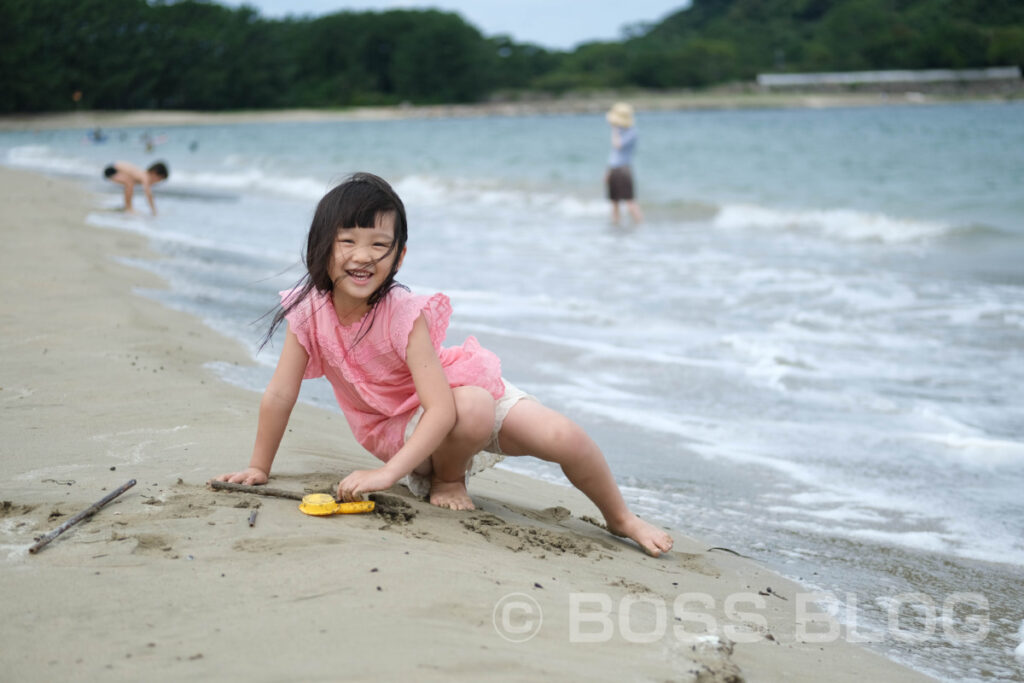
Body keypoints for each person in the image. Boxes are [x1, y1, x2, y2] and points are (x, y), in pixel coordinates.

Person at [215, 172, 674, 557]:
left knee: (562, 436)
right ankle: (449, 479)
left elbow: (440, 404)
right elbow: (280, 393)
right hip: (401, 426)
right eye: (347, 241)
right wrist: (259, 466)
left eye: (379, 244)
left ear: (400, 255)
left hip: (453, 391)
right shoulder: (309, 310)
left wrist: (384, 478)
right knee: (470, 407)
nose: (362, 256)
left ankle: (621, 518)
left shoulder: (403, 310)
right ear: (322, 245)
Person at [605, 102, 643, 225]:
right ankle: (615, 226)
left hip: (623, 169)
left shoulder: (632, 132)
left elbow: (617, 145)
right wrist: (607, 171)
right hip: (614, 168)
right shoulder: (620, 130)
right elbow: (613, 156)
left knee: (629, 201)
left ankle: (640, 224)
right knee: (614, 201)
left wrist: (615, 130)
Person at [102, 161, 169, 216]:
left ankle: (127, 207)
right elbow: (148, 194)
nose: (157, 182)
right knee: (129, 183)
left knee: (129, 182)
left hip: (115, 169)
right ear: (154, 173)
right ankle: (128, 208)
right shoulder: (145, 176)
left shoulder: (142, 174)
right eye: (159, 179)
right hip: (112, 170)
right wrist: (154, 211)